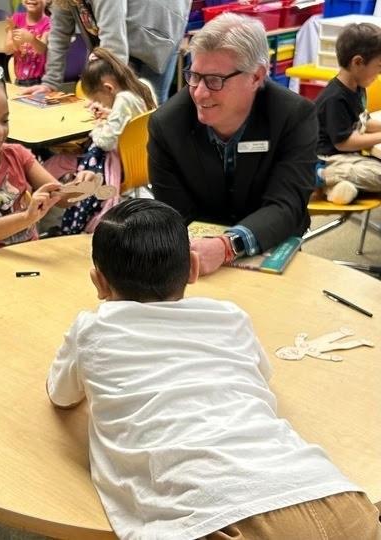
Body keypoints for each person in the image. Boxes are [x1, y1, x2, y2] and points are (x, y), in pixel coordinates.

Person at [46, 197, 381, 540]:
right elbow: (261, 377)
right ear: (193, 268)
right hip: (330, 493)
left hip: (217, 515)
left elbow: (61, 396)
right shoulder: (229, 316)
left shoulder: (92, 329)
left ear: (98, 281)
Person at [148, 13, 318, 277]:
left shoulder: (294, 116)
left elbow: (287, 204)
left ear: (256, 77)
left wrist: (228, 245)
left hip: (273, 244)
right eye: (194, 75)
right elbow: (174, 211)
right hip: (198, 260)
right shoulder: (167, 125)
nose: (200, 93)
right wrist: (206, 249)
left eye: (215, 80)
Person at [0, 68, 96, 259]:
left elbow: (61, 198)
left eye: (4, 120)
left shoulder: (17, 154)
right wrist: (26, 218)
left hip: (28, 254)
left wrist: (82, 186)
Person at [56, 47, 155, 234]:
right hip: (140, 163)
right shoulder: (140, 88)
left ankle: (73, 222)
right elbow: (131, 121)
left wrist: (98, 128)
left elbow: (106, 142)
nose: (100, 104)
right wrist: (110, 114)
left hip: (122, 168)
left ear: (108, 88)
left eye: (99, 100)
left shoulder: (123, 99)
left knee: (60, 162)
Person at [21, 0, 189, 104]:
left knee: (148, 111)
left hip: (157, 33)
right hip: (121, 33)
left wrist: (110, 95)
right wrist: (50, 84)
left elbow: (113, 41)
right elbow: (59, 34)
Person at [315, 22, 381, 204]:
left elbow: (363, 121)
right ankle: (323, 176)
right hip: (327, 158)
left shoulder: (358, 87)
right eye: (379, 67)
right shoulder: (335, 98)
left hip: (348, 156)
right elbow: (344, 142)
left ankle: (335, 187)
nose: (379, 73)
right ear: (358, 62)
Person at [5, 0, 51, 86]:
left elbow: (42, 49)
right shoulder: (16, 18)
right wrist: (15, 40)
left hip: (39, 82)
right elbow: (7, 50)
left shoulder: (48, 23)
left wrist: (31, 39)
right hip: (19, 81)